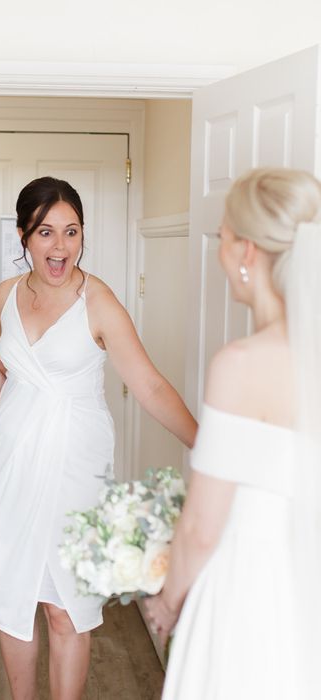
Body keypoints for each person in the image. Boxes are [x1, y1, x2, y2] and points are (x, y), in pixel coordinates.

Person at [0, 176, 197, 699]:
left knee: (66, 607)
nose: (61, 247)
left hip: (76, 464)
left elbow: (150, 386)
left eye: (72, 232)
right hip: (13, 460)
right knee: (14, 601)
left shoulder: (99, 302)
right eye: (46, 233)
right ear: (24, 237)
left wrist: (206, 444)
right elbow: (9, 378)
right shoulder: (5, 294)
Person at [144, 168, 321, 699]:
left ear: (246, 251)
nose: (219, 253)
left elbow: (201, 526)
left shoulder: (242, 364)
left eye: (220, 238)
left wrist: (167, 602)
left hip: (254, 589)